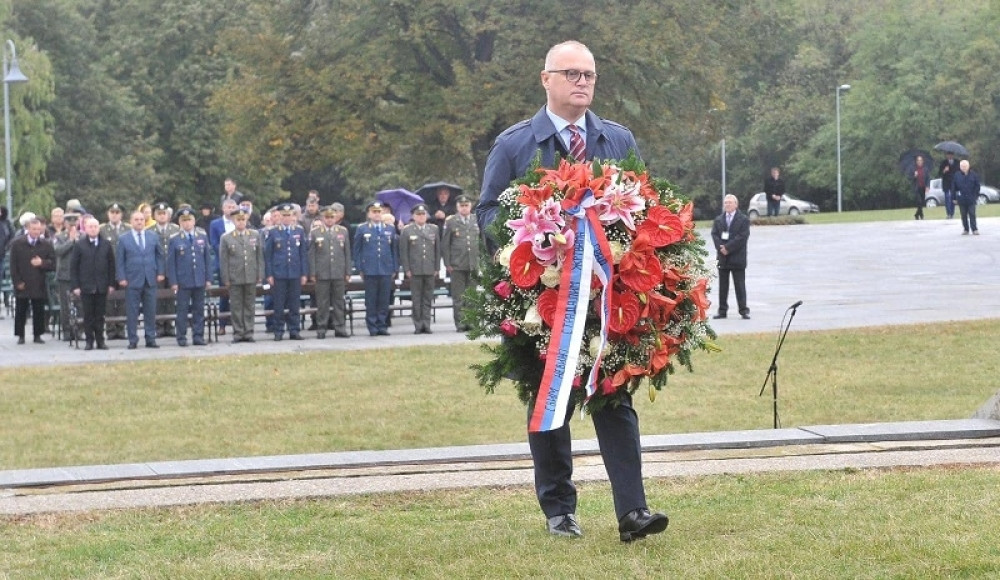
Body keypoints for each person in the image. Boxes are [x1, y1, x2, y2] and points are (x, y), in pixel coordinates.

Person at [477, 40, 668, 542]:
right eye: (571, 73)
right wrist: (534, 237)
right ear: (546, 79)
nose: (582, 82)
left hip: (608, 297)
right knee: (551, 398)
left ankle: (634, 512)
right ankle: (559, 510)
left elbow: (646, 204)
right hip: (540, 296)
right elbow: (487, 212)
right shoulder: (515, 144)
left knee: (615, 396)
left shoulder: (617, 139)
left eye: (589, 75)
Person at [116, 210, 165, 349]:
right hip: (132, 280)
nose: (139, 222)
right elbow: (120, 260)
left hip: (150, 278)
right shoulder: (124, 238)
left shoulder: (153, 236)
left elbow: (160, 255)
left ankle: (151, 338)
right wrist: (121, 277)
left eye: (141, 219)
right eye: (136, 219)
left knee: (150, 311)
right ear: (131, 222)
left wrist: (160, 272)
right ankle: (133, 339)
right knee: (132, 312)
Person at [167, 208, 212, 346]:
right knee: (182, 311)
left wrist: (208, 278)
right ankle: (181, 337)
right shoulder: (174, 239)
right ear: (180, 222)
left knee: (199, 310)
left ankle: (198, 336)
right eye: (184, 221)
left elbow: (207, 259)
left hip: (199, 279)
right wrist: (173, 281)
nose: (187, 224)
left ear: (194, 221)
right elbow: (171, 263)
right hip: (183, 281)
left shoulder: (202, 236)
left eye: (189, 220)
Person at [264, 203, 309, 340]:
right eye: (284, 215)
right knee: (279, 304)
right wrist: (269, 274)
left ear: (293, 216)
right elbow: (268, 255)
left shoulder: (299, 231)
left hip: (295, 272)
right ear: (280, 217)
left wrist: (304, 273)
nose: (286, 218)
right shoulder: (273, 232)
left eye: (289, 215)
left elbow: (303, 254)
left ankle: (294, 330)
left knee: (294, 303)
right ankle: (278, 330)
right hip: (279, 273)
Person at [353, 201, 398, 336]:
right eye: (374, 212)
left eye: (379, 212)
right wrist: (359, 267)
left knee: (384, 299)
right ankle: (372, 326)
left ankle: (382, 325)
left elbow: (394, 250)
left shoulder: (389, 229)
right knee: (371, 299)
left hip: (385, 269)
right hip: (370, 269)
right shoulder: (362, 229)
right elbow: (357, 250)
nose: (377, 214)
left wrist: (394, 267)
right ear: (369, 214)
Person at [71, 217, 116, 350]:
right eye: (90, 227)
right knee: (88, 315)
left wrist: (111, 284)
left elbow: (111, 265)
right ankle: (89, 341)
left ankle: (100, 341)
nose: (93, 229)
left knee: (100, 315)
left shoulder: (106, 244)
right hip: (86, 286)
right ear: (85, 228)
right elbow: (74, 267)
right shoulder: (80, 245)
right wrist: (76, 286)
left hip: (101, 285)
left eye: (95, 226)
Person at [219, 207, 264, 343]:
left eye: (243, 219)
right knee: (236, 306)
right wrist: (226, 278)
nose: (240, 222)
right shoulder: (226, 238)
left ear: (247, 220)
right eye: (238, 220)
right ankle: (238, 333)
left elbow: (259, 256)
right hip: (235, 277)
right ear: (233, 221)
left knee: (249, 305)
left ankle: (249, 332)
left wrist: (260, 274)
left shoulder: (254, 235)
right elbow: (224, 260)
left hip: (250, 275)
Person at [308, 204, 352, 338]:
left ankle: (340, 327)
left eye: (332, 217)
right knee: (322, 303)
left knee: (339, 301)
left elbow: (347, 253)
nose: (329, 220)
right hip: (322, 273)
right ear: (322, 218)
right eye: (327, 217)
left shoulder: (342, 231)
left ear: (336, 217)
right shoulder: (315, 232)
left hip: (338, 271)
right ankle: (321, 328)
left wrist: (348, 271)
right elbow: (312, 254)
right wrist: (313, 272)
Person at [9, 218, 55, 344]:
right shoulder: (18, 244)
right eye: (33, 229)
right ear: (28, 229)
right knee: (21, 309)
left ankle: (37, 334)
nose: (36, 232)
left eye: (38, 229)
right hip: (22, 281)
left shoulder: (46, 244)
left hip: (38, 282)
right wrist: (17, 281)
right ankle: (20, 335)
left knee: (38, 309)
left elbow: (53, 264)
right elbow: (13, 265)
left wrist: (42, 263)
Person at [399, 204, 439, 334]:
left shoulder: (433, 229)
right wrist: (407, 269)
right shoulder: (407, 230)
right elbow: (404, 252)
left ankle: (426, 324)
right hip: (415, 269)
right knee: (416, 299)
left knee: (428, 298)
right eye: (418, 214)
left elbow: (437, 250)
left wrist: (437, 267)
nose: (421, 217)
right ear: (413, 216)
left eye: (423, 214)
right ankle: (418, 325)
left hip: (429, 268)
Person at [441, 195, 479, 332]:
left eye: (466, 205)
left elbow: (480, 241)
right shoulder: (451, 221)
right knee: (459, 296)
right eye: (461, 206)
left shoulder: (476, 219)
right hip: (457, 264)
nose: (464, 208)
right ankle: (461, 323)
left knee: (472, 296)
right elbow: (445, 244)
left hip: (473, 263)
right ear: (457, 207)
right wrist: (447, 263)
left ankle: (471, 322)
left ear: (470, 206)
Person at [711, 194, 751, 320]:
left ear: (736, 204)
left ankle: (743, 310)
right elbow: (715, 235)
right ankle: (722, 310)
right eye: (725, 203)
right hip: (723, 258)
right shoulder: (718, 220)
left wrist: (728, 248)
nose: (727, 205)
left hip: (737, 257)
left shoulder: (743, 219)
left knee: (739, 285)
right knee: (723, 286)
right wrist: (721, 248)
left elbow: (742, 237)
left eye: (730, 202)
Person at [100, 203, 130, 339]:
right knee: (109, 301)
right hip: (107, 270)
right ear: (108, 214)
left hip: (125, 270)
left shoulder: (128, 229)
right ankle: (111, 329)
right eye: (112, 212)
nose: (114, 215)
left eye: (117, 212)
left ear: (121, 214)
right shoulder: (102, 230)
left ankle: (121, 329)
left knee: (124, 301)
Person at [209, 199, 238, 335]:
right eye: (228, 207)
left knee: (238, 296)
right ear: (223, 209)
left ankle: (238, 324)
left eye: (233, 207)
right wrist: (228, 251)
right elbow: (214, 243)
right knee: (224, 295)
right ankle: (222, 325)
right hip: (223, 264)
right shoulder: (215, 224)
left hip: (239, 265)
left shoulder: (240, 221)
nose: (231, 209)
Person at [52, 211, 82, 340]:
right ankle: (67, 332)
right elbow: (58, 251)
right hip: (64, 276)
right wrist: (70, 241)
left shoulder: (83, 236)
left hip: (80, 276)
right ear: (65, 224)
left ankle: (79, 331)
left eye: (74, 222)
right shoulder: (59, 237)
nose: (72, 225)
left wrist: (77, 240)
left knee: (80, 305)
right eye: (69, 223)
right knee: (65, 306)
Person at [953, 159, 980, 235]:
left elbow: (977, 186)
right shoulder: (957, 175)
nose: (964, 167)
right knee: (963, 215)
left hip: (971, 198)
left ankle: (974, 229)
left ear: (968, 166)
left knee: (972, 213)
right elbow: (954, 187)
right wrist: (954, 198)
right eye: (962, 166)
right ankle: (966, 229)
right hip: (961, 199)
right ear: (960, 167)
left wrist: (975, 195)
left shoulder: (974, 175)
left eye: (965, 166)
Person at [938, 152, 959, 219]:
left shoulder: (957, 162)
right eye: (948, 155)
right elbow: (939, 173)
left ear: (953, 155)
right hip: (946, 182)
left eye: (951, 154)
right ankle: (948, 213)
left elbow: (960, 172)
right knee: (947, 197)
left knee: (953, 198)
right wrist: (944, 170)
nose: (950, 156)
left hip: (954, 182)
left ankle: (952, 213)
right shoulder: (944, 163)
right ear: (946, 155)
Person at [911, 155, 929, 220]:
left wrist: (927, 186)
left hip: (923, 187)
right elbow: (910, 179)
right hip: (917, 187)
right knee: (919, 201)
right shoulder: (913, 169)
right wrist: (914, 176)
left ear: (923, 161)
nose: (919, 162)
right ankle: (921, 214)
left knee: (922, 202)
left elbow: (927, 178)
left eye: (920, 160)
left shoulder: (925, 169)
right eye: (918, 160)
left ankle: (917, 214)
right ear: (916, 161)